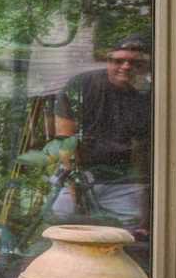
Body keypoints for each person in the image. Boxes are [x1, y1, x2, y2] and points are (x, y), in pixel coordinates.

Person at [48, 38, 151, 229]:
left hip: (121, 179)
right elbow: (65, 137)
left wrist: (143, 195)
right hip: (80, 170)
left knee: (130, 226)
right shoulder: (82, 85)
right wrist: (73, 180)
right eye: (118, 61)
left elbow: (143, 153)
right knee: (60, 218)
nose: (126, 67)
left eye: (134, 62)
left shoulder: (147, 97)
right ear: (107, 61)